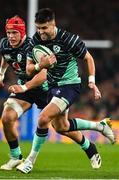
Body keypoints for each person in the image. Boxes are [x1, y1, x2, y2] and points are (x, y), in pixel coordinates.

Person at [0, 15, 102, 171]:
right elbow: (6, 56)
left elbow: (44, 73)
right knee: (7, 117)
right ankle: (16, 157)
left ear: (22, 33)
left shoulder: (34, 45)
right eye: (8, 32)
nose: (10, 36)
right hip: (25, 88)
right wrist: (1, 74)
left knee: (61, 127)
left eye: (14, 33)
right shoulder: (4, 44)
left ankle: (88, 146)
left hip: (44, 87)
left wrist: (25, 86)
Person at [16, 8, 115, 174]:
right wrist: (41, 65)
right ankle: (98, 130)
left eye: (44, 28)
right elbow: (28, 70)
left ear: (53, 24)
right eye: (38, 28)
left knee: (43, 119)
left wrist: (92, 81)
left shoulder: (69, 39)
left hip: (70, 84)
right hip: (53, 86)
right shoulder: (35, 41)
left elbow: (88, 58)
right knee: (62, 127)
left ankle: (30, 161)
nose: (41, 32)